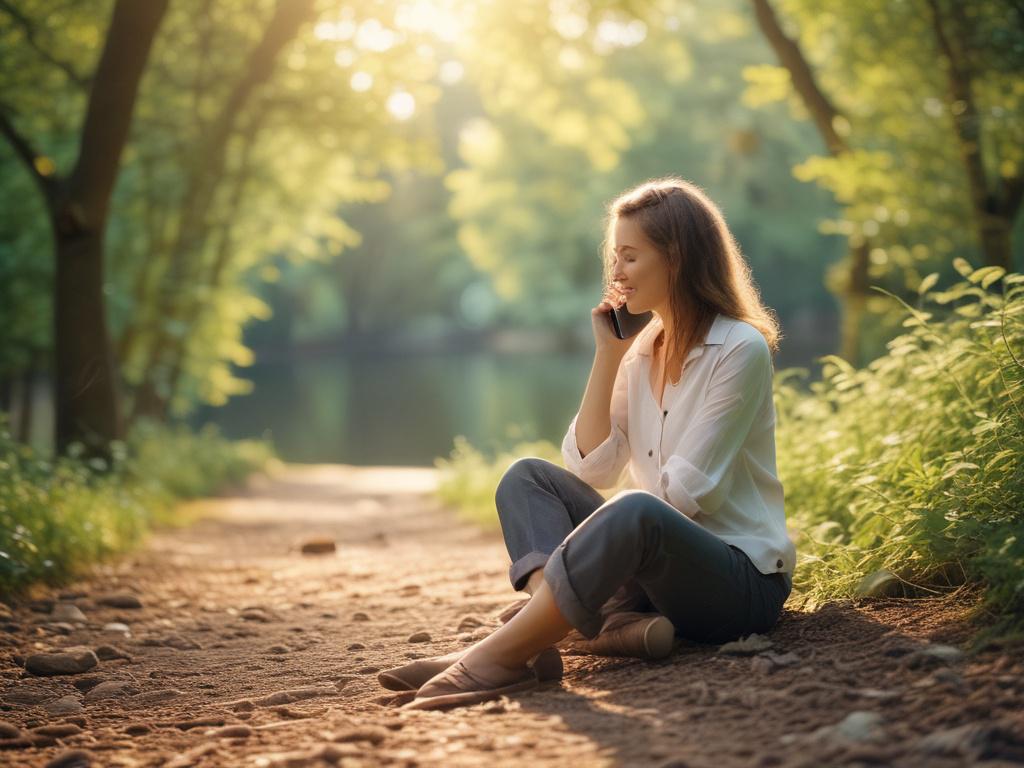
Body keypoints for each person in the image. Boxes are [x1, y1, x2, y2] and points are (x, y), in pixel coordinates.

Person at [379, 177, 797, 710]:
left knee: (636, 509)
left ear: (678, 258)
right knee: (528, 478)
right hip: (652, 575)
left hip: (737, 585)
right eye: (614, 256)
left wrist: (605, 565)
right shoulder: (641, 350)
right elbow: (592, 468)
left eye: (630, 256)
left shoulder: (739, 348)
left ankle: (501, 653)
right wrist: (609, 354)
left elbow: (688, 498)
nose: (615, 272)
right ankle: (543, 636)